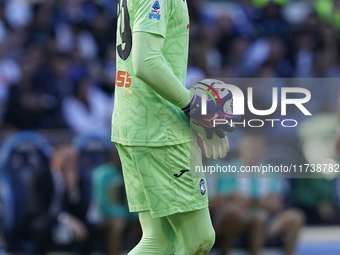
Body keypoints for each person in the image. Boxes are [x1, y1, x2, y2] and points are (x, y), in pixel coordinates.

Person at [111, 0, 238, 254]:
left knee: (159, 241)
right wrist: (196, 110)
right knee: (198, 238)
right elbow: (146, 61)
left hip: (135, 121)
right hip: (159, 129)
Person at [211, 134, 305, 255]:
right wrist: (260, 202)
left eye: (257, 148)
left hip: (269, 218)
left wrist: (252, 201)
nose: (253, 152)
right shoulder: (228, 169)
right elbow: (230, 199)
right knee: (257, 218)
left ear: (263, 151)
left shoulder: (270, 170)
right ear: (241, 149)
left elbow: (276, 203)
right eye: (250, 148)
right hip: (242, 219)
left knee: (295, 217)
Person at [92, 148, 128, 255]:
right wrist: (126, 215)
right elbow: (103, 203)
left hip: (127, 215)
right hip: (101, 215)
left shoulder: (131, 173)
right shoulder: (103, 173)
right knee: (118, 225)